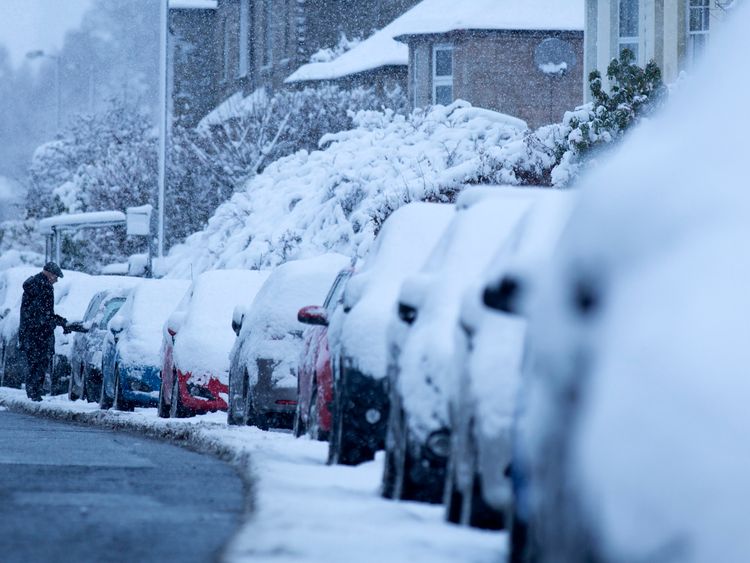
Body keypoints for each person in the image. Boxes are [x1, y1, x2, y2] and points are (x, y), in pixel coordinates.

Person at [18, 262, 68, 401]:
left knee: (35, 362)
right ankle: (35, 393)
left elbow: (41, 313)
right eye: (56, 277)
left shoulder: (36, 285)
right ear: (49, 274)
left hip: (32, 332)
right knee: (38, 362)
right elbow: (42, 314)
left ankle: (34, 391)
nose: (56, 280)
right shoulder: (42, 287)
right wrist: (59, 321)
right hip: (37, 333)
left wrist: (58, 321)